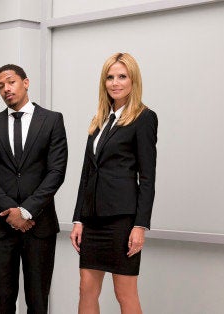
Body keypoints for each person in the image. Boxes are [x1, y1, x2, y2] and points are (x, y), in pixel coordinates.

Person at [70, 52, 157, 314]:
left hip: (122, 220)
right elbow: (86, 175)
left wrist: (140, 225)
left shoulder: (144, 118)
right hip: (92, 219)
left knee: (124, 292)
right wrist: (78, 219)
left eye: (122, 76)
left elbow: (148, 177)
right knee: (86, 288)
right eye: (110, 77)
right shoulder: (98, 121)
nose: (115, 82)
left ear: (133, 81)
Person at [0, 64, 68, 314]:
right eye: (0, 85)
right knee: (3, 300)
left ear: (25, 82)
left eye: (11, 82)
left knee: (38, 300)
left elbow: (56, 172)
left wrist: (26, 211)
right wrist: (11, 212)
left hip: (40, 225)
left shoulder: (52, 120)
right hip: (2, 226)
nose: (6, 88)